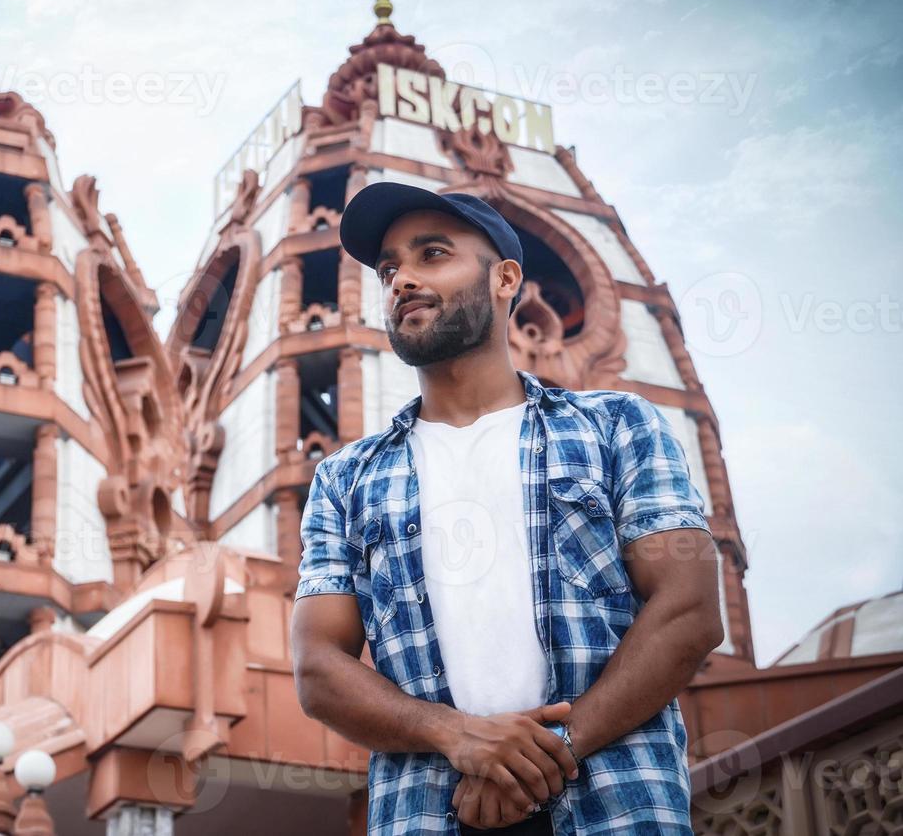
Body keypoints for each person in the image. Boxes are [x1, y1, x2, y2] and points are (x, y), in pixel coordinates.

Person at [290, 182, 725, 834]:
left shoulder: (616, 427)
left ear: (505, 278)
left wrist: (551, 752)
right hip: (428, 813)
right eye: (388, 269)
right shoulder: (346, 480)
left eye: (432, 254)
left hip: (616, 805)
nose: (402, 279)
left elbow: (689, 611)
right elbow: (318, 668)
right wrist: (458, 737)